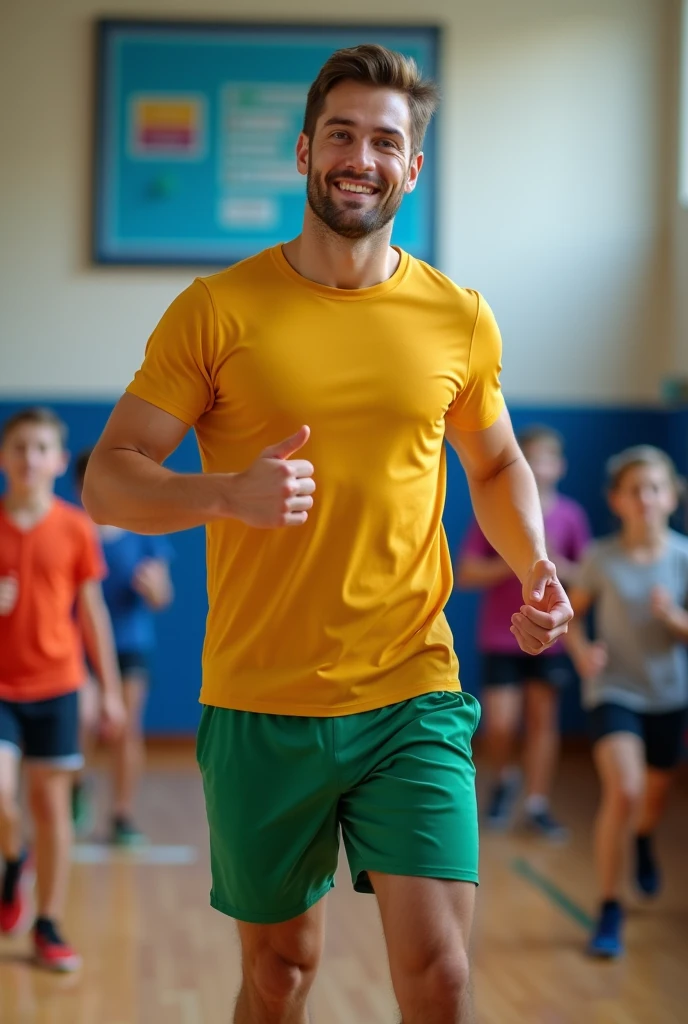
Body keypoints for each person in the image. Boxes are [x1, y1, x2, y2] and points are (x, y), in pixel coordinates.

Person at [83, 44, 573, 1024]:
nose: (361, 156)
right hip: (262, 695)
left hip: (412, 686)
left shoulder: (458, 316)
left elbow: (495, 464)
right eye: (341, 135)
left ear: (412, 167)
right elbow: (108, 478)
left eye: (385, 140)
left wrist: (535, 567)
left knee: (437, 972)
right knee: (279, 974)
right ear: (305, 152)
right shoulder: (217, 310)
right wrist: (226, 493)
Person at [0, 408, 125, 972]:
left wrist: (111, 690)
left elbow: (93, 614)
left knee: (51, 806)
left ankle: (47, 923)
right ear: (5, 458)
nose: (29, 457)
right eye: (19, 446)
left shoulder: (76, 527)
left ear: (56, 459)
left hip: (56, 687)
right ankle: (12, 859)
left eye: (40, 447)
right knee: (2, 798)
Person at [566, 446, 688, 958]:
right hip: (613, 689)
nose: (646, 498)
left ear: (671, 495)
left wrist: (672, 619)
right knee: (625, 790)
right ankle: (609, 906)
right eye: (634, 489)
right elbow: (569, 617)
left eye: (655, 487)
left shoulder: (683, 558)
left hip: (667, 695)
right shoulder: (601, 557)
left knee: (651, 800)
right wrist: (580, 653)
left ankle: (643, 839)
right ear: (617, 500)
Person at [456, 424, 590, 838]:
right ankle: (504, 780)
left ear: (560, 466)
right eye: (527, 456)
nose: (537, 464)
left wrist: (560, 572)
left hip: (549, 640)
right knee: (499, 724)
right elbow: (467, 572)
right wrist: (521, 559)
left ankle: (536, 803)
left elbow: (586, 578)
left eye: (545, 457)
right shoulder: (498, 515)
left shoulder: (571, 516)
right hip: (502, 636)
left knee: (541, 723)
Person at [72, 449, 174, 845]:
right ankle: (76, 788)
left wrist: (154, 589)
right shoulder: (71, 529)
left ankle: (122, 814)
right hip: (77, 645)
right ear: (80, 485)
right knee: (83, 719)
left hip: (129, 644)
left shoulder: (144, 530)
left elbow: (163, 595)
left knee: (124, 729)